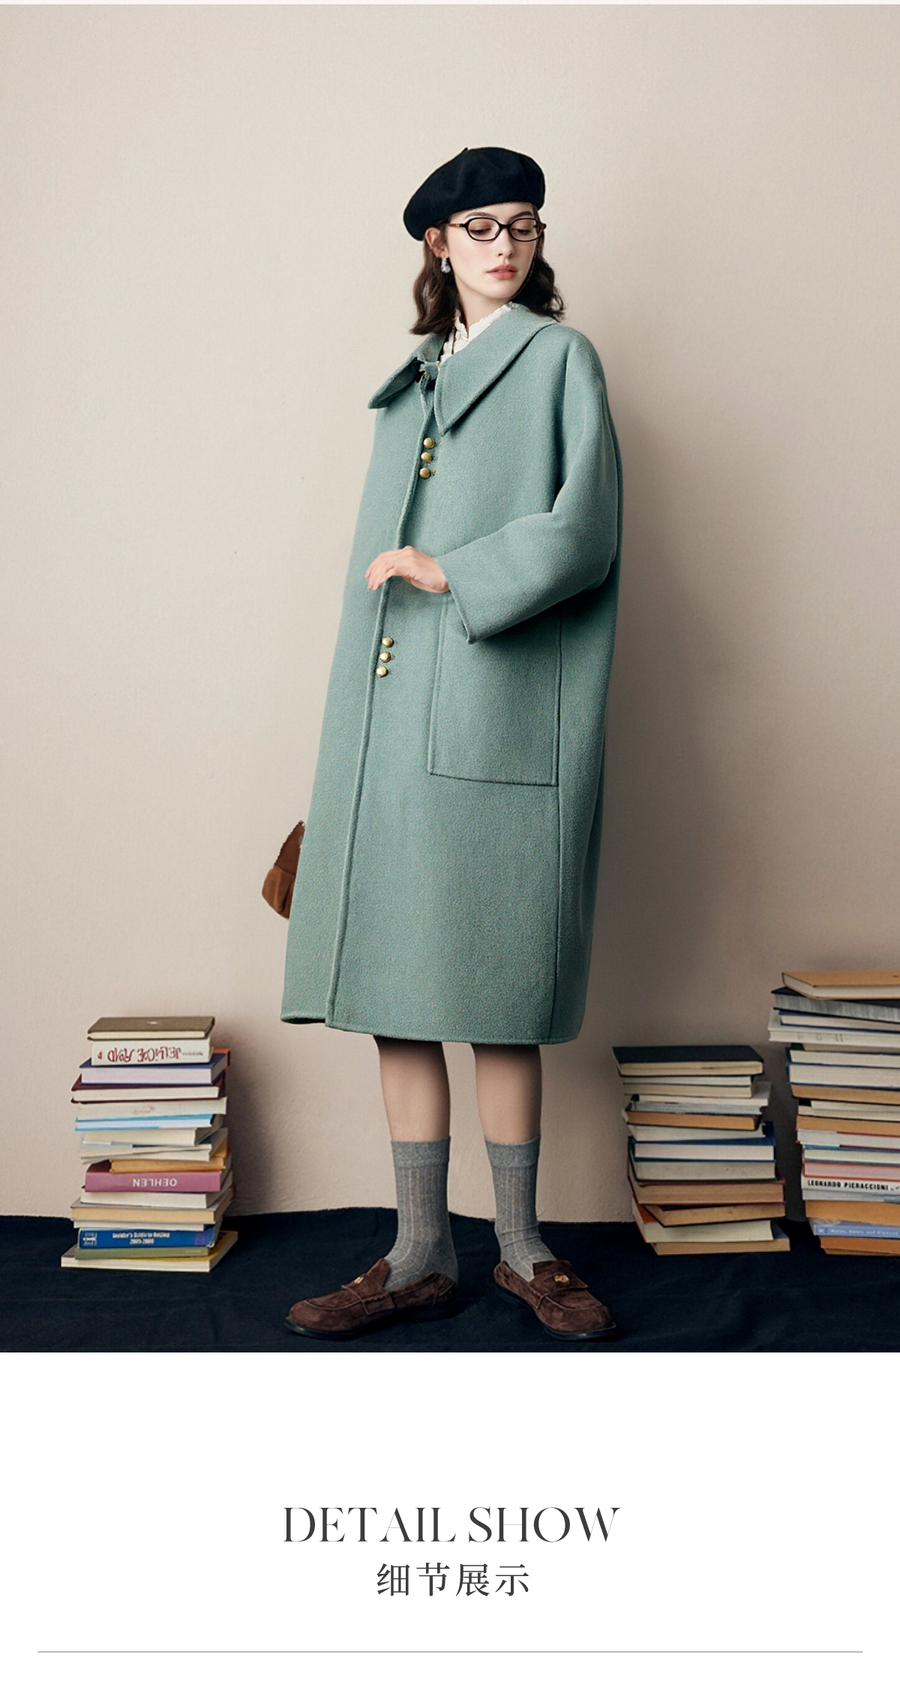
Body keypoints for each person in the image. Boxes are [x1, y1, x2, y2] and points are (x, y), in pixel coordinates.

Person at [281, 146, 623, 1343]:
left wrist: (452, 570)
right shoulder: (414, 381)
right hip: (391, 726)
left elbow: (586, 528)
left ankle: (524, 1249)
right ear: (439, 243)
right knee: (400, 992)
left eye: (523, 225)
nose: (506, 245)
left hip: (497, 711)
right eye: (481, 227)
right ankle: (420, 1252)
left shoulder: (561, 359)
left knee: (500, 993)